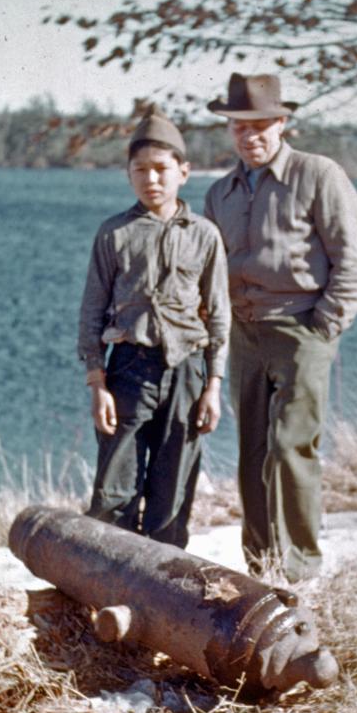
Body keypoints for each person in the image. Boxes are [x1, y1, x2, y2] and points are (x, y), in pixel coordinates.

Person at [204, 73, 357, 581]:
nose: (249, 136)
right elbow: (209, 269)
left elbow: (356, 260)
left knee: (291, 447)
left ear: (282, 123)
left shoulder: (318, 175)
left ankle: (301, 569)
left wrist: (325, 325)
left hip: (303, 330)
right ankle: (261, 567)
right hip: (244, 332)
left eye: (260, 125)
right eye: (239, 127)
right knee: (252, 449)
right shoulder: (220, 192)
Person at [78, 106, 230, 549]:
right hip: (128, 370)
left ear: (184, 172)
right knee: (114, 492)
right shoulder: (114, 234)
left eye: (162, 170)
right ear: (128, 175)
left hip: (186, 374)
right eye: (140, 170)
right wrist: (97, 383)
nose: (152, 180)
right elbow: (91, 313)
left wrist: (213, 385)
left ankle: (162, 595)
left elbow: (219, 315)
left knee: (173, 493)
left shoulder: (204, 235)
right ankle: (105, 588)